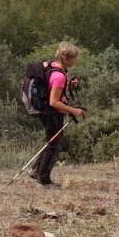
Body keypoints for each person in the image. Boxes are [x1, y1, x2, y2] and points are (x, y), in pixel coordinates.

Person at [32, 41, 86, 187]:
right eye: (74, 58)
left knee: (52, 141)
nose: (75, 61)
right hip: (52, 113)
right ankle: (44, 179)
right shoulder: (59, 76)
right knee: (54, 145)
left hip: (47, 111)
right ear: (66, 58)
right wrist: (73, 110)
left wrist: (69, 84)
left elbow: (52, 86)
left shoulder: (53, 66)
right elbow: (54, 101)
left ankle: (36, 170)